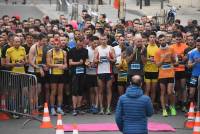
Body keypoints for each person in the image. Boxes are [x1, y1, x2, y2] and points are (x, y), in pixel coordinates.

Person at [155, 34, 177, 117]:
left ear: (165, 40)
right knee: (163, 92)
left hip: (170, 72)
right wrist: (163, 59)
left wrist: (171, 57)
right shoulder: (157, 51)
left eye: (163, 40)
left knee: (170, 92)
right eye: (160, 40)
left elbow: (175, 61)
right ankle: (164, 109)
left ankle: (172, 107)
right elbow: (157, 65)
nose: (162, 41)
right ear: (159, 41)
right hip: (162, 74)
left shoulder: (171, 49)